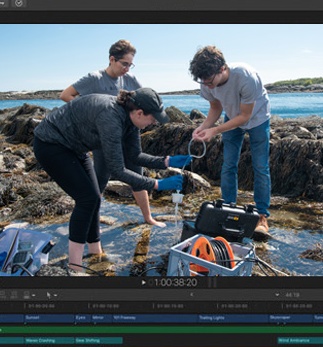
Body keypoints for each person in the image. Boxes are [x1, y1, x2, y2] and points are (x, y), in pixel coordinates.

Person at [33, 88, 191, 272]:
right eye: (153, 118)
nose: (154, 122)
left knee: (94, 199)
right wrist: (156, 184)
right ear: (140, 113)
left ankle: (95, 252)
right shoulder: (111, 117)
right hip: (50, 145)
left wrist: (166, 161)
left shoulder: (132, 120)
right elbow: (117, 169)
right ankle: (75, 266)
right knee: (87, 199)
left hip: (76, 148)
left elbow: (134, 156)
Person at [59, 40, 165, 227]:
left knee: (136, 173)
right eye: (124, 64)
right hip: (104, 137)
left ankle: (148, 218)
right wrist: (89, 118)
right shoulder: (95, 78)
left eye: (130, 65)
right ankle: (93, 216)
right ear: (112, 59)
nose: (127, 68)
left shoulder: (131, 79)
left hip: (129, 134)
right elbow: (66, 95)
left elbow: (143, 102)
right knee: (101, 176)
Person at [189, 46, 271, 235]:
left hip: (258, 118)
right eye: (203, 82)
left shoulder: (246, 77)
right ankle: (227, 208)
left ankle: (261, 216)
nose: (207, 85)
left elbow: (245, 116)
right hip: (232, 115)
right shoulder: (206, 80)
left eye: (210, 81)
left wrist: (215, 130)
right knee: (228, 165)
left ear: (222, 68)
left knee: (260, 167)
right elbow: (216, 107)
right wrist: (203, 127)